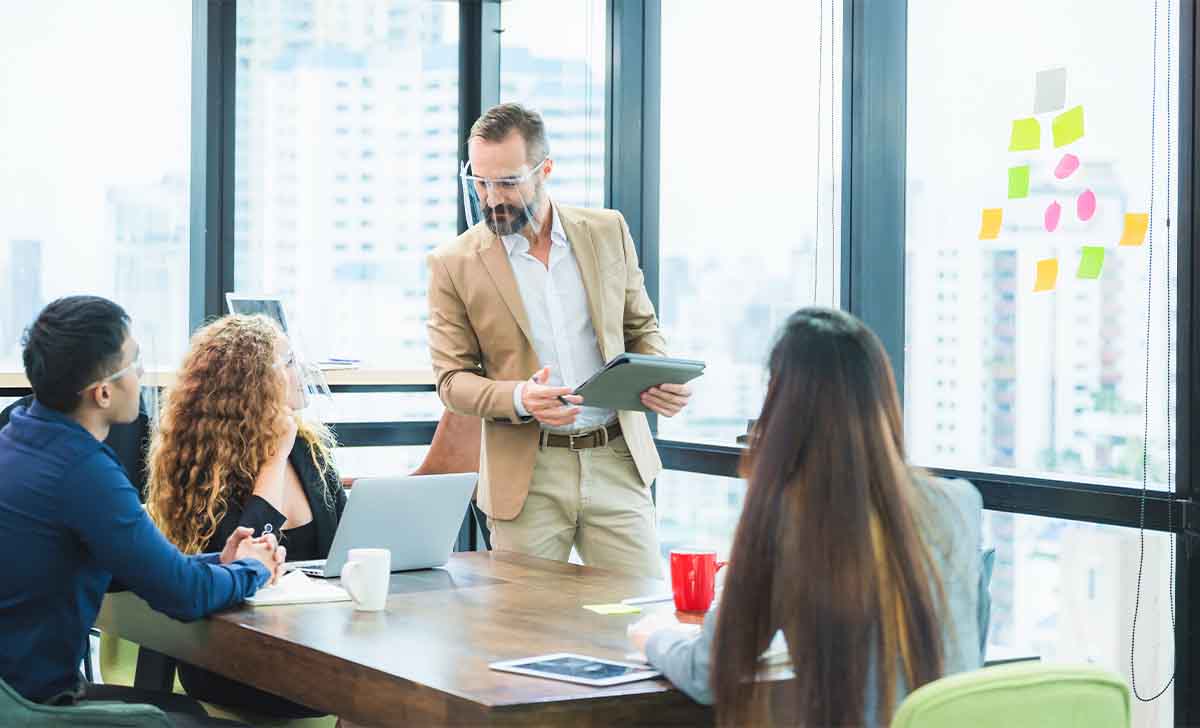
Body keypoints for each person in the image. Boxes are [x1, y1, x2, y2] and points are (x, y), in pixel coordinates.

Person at [628, 308, 988, 727]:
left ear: (784, 408)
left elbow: (707, 672)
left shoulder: (789, 517)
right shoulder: (961, 502)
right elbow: (969, 647)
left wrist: (652, 637)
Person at [427, 102, 690, 578]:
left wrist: (659, 377)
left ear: (545, 169)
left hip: (616, 462)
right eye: (480, 183)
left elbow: (641, 328)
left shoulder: (607, 231)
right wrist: (520, 397)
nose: (491, 198)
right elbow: (451, 381)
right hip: (527, 473)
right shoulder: (454, 262)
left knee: (640, 613)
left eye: (507, 182)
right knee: (522, 631)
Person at [0, 296, 283, 728]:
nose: (143, 374)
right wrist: (253, 570)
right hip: (31, 709)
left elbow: (134, 566)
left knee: (184, 710)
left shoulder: (16, 435)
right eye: (134, 363)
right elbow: (182, 595)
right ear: (104, 392)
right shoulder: (83, 473)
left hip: (13, 693)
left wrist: (220, 562)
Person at [146, 314, 345, 719]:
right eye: (288, 362)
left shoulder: (309, 451)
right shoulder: (205, 469)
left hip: (319, 640)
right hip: (233, 659)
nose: (301, 370)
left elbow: (342, 549)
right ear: (252, 385)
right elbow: (233, 566)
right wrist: (273, 463)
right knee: (369, 698)